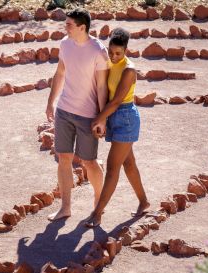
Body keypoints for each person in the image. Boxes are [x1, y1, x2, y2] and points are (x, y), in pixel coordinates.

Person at [45, 8, 109, 221]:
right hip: (64, 110)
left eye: (69, 24)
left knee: (89, 162)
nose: (66, 27)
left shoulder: (98, 51)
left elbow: (102, 87)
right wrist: (50, 102)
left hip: (87, 115)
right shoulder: (64, 44)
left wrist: (102, 118)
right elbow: (60, 73)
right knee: (63, 158)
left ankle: (98, 206)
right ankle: (65, 208)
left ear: (82, 27)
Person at [84, 28, 150, 228]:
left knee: (113, 168)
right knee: (129, 164)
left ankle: (97, 213)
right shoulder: (109, 63)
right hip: (113, 117)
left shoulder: (129, 70)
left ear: (126, 51)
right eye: (111, 52)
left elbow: (117, 101)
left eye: (118, 53)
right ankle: (144, 203)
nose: (113, 56)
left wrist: (98, 119)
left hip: (125, 117)